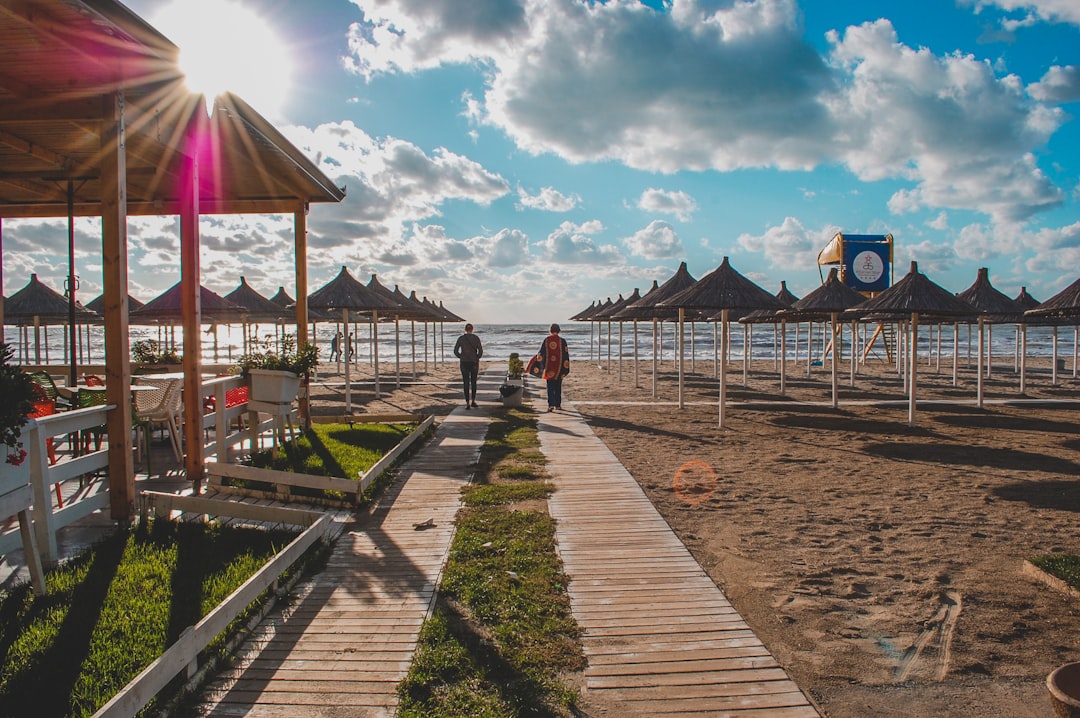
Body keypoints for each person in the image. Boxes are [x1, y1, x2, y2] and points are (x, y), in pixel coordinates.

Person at [532, 323, 570, 412]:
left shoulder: (547, 340)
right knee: (558, 386)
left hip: (549, 367)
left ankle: (550, 405)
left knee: (550, 386)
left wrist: (537, 361)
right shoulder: (562, 341)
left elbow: (541, 353)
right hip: (560, 367)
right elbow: (566, 355)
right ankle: (558, 405)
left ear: (550, 330)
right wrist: (566, 368)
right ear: (559, 330)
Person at [453, 323, 483, 408]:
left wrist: (461, 356)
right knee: (473, 382)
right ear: (472, 329)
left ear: (465, 329)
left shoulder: (461, 338)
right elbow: (480, 351)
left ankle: (467, 403)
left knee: (466, 382)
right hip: (473, 362)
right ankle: (473, 401)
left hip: (464, 362)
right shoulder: (476, 338)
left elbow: (455, 351)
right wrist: (477, 358)